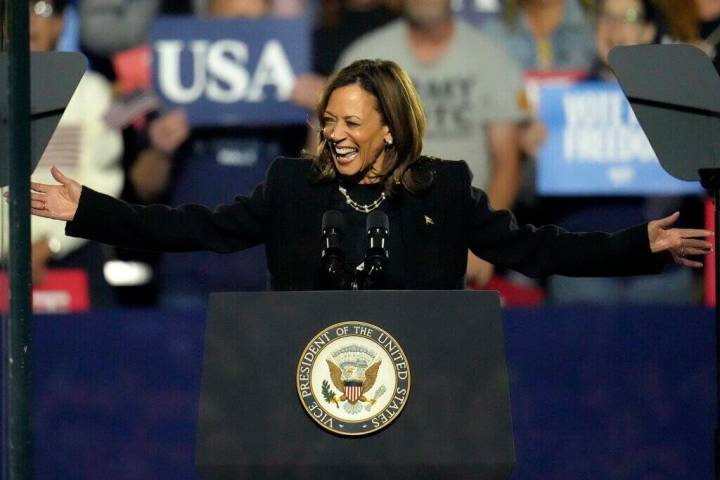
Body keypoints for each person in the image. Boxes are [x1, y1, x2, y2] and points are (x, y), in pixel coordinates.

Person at [28, 59, 712, 291]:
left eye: (352, 123)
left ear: (390, 127)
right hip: (306, 398)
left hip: (425, 399)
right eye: (330, 121)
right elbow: (191, 228)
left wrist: (635, 244)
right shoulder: (293, 187)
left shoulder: (445, 188)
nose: (335, 135)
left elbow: (537, 247)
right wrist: (87, 207)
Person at [335, 0, 527, 286]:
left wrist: (485, 242)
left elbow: (508, 162)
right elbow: (330, 150)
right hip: (375, 233)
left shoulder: (490, 57)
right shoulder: (366, 55)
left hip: (463, 232)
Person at [7, 0, 123, 306]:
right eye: (17, 10)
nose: (28, 20)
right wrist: (11, 247)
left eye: (41, 9)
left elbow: (104, 181)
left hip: (76, 254)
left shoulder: (94, 92)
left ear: (61, 23)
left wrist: (53, 243)